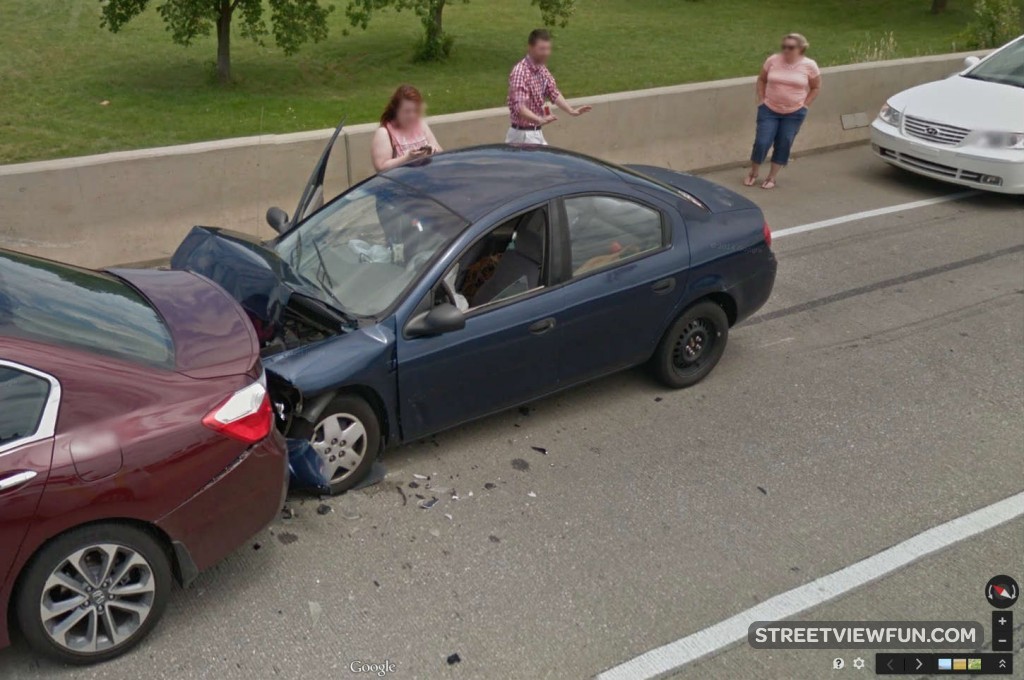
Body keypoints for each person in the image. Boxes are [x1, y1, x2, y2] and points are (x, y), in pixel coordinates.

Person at [745, 33, 822, 190]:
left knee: (784, 142)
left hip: (794, 112)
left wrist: (805, 105)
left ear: (801, 48)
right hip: (769, 109)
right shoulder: (773, 60)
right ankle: (754, 172)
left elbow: (816, 87)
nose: (786, 50)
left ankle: (772, 177)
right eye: (784, 47)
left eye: (791, 47)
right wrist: (761, 99)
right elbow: (761, 79)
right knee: (762, 141)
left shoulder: (809, 65)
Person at [505, 29, 592, 145]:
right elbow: (520, 108)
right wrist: (539, 120)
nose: (546, 53)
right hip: (523, 136)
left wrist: (571, 111)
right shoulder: (520, 72)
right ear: (530, 48)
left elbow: (553, 92)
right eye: (542, 49)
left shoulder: (541, 69)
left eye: (548, 49)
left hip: (535, 133)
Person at [372, 84, 443, 172]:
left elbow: (441, 152)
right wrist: (407, 158)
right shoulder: (384, 132)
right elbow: (381, 167)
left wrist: (432, 150)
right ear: (396, 111)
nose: (412, 115)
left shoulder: (421, 124)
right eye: (407, 111)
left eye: (415, 110)